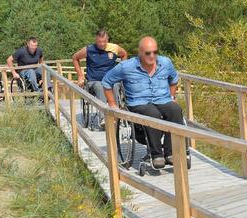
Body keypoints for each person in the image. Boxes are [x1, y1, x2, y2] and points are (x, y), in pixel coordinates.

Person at [102, 36, 186, 169]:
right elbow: (106, 82)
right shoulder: (126, 67)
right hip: (139, 103)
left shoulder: (165, 63)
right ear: (140, 53)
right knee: (152, 113)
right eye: (148, 53)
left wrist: (171, 96)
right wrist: (113, 104)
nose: (152, 56)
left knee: (175, 110)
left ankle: (171, 153)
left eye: (155, 52)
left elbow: (174, 79)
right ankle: (156, 154)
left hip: (162, 99)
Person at [72, 29, 128, 130]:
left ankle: (116, 115)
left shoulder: (114, 48)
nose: (102, 44)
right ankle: (104, 118)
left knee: (115, 86)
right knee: (100, 86)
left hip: (111, 80)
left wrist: (121, 71)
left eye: (104, 41)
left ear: (107, 40)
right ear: (96, 40)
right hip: (94, 80)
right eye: (99, 42)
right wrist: (80, 75)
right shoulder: (89, 49)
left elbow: (124, 54)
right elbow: (75, 58)